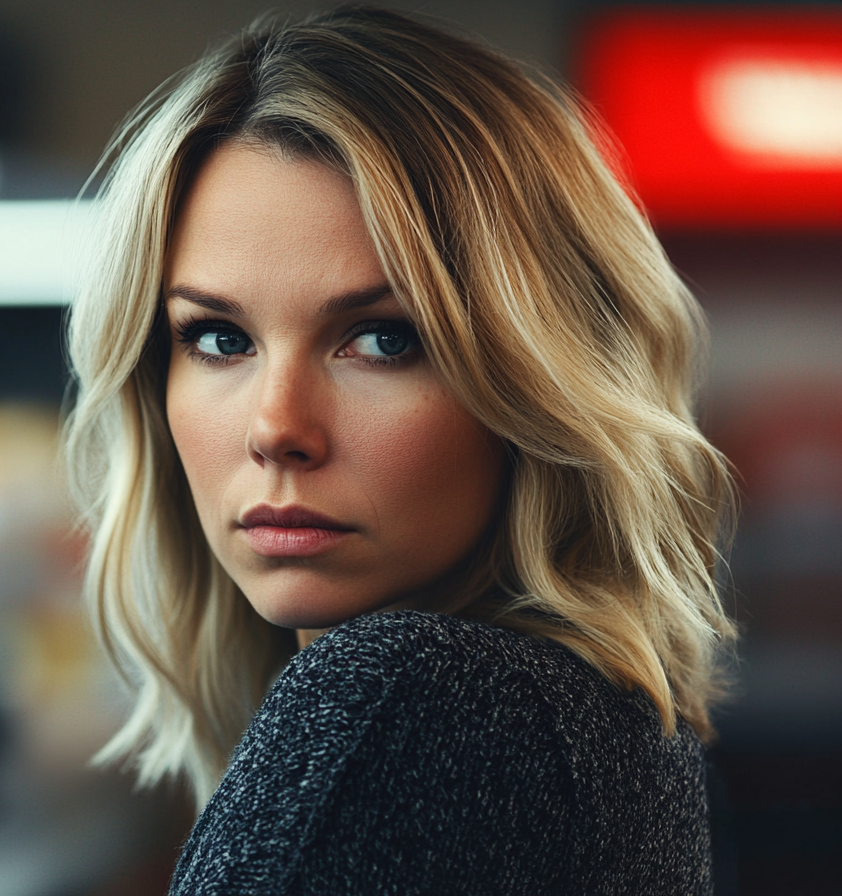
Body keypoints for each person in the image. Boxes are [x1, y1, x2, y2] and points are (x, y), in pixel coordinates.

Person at [62, 6, 736, 894]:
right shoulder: (592, 719)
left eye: (382, 340)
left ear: (540, 379)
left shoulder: (412, 703)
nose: (276, 429)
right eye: (220, 339)